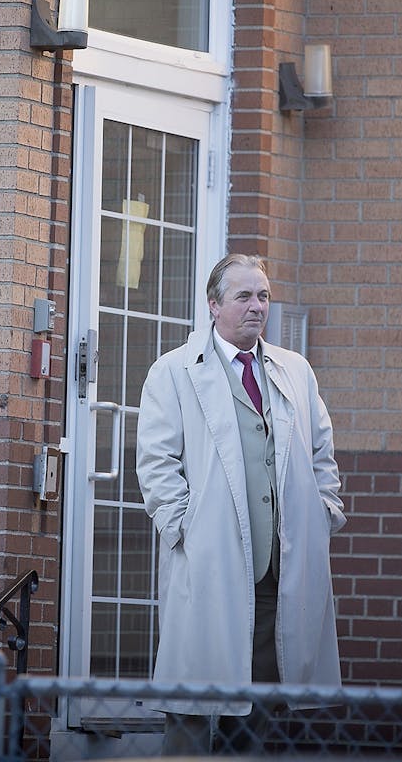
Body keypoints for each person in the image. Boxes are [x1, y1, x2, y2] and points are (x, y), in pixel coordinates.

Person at [136, 253, 346, 756]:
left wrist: (323, 510)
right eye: (244, 297)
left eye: (264, 296)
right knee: (190, 704)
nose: (257, 307)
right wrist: (184, 526)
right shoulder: (174, 372)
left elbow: (321, 451)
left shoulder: (295, 370)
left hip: (279, 571)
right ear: (214, 304)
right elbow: (157, 463)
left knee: (257, 710)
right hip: (209, 566)